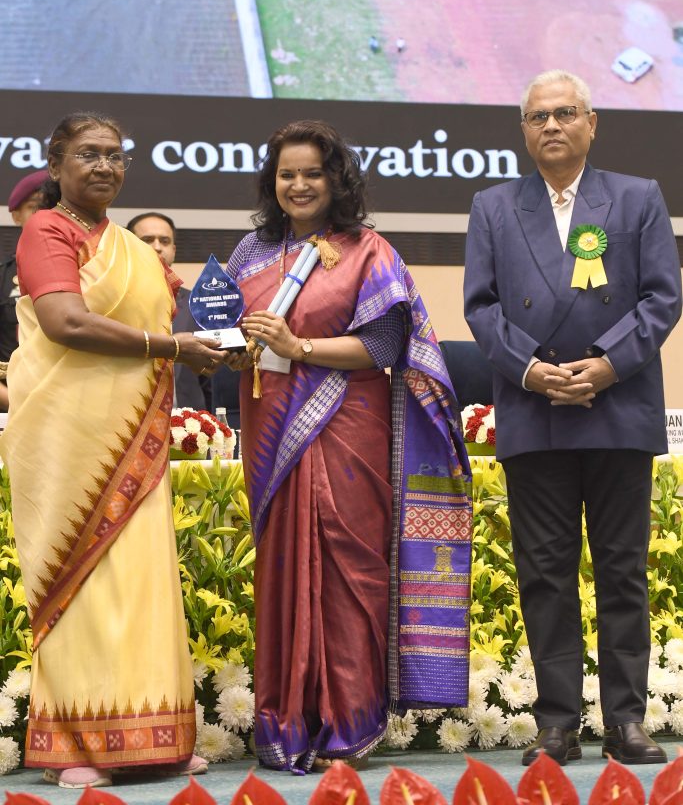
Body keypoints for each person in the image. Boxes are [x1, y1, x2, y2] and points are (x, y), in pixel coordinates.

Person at [223, 120, 471, 774]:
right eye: (286, 173)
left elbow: (385, 346)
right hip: (270, 434)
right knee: (282, 572)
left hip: (347, 431)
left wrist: (298, 348)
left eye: (312, 172)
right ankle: (286, 719)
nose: (299, 184)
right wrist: (227, 346)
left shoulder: (368, 251)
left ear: (336, 180)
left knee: (348, 571)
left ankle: (346, 722)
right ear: (271, 182)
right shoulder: (249, 254)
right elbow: (222, 334)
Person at [0, 112, 227, 788]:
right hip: (70, 442)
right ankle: (76, 744)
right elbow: (66, 322)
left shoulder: (129, 247)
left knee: (145, 584)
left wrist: (216, 350)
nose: (103, 166)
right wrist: (173, 349)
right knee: (85, 586)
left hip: (132, 438)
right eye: (88, 155)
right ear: (58, 164)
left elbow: (182, 322)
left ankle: (155, 738)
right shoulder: (48, 229)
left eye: (114, 156)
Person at [464, 70, 682, 766]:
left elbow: (659, 299)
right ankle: (556, 722)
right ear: (523, 131)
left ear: (591, 123)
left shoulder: (636, 197)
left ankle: (625, 720)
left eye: (564, 114)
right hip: (534, 411)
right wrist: (531, 370)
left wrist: (603, 365)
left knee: (622, 572)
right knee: (544, 573)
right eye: (536, 117)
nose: (550, 126)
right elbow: (481, 307)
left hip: (615, 408)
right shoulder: (493, 206)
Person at [127, 212, 211, 411]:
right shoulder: (114, 301)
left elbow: (208, 377)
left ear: (173, 250)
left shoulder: (197, 303)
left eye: (164, 241)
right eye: (147, 240)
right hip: (129, 419)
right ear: (129, 247)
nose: (157, 247)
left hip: (188, 427)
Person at [0, 170, 49, 409]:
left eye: (52, 209)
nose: (45, 217)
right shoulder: (1, 275)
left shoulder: (89, 270)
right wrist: (17, 403)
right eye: (35, 208)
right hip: (9, 405)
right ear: (16, 215)